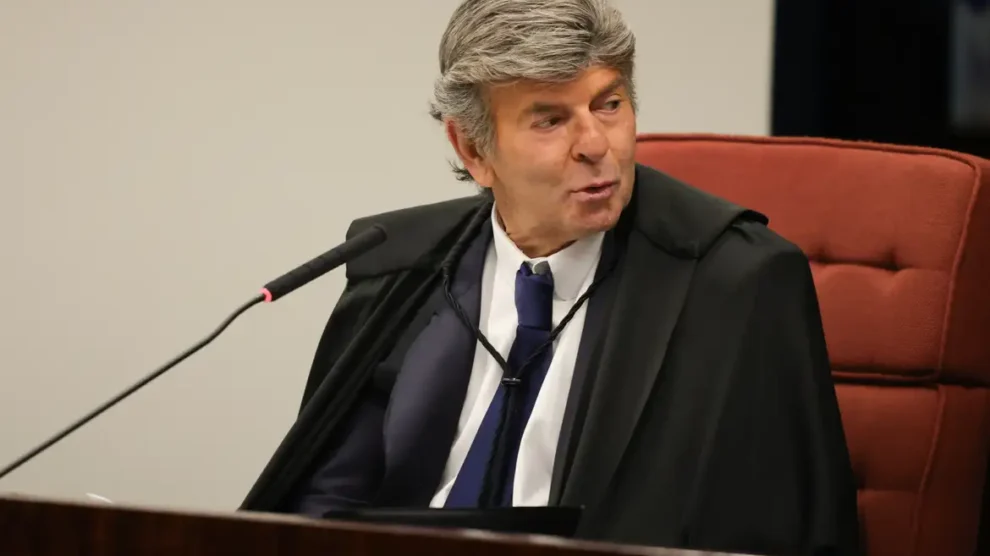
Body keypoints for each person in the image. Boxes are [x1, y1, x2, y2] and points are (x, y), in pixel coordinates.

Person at [240, 1, 861, 554]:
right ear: (473, 150)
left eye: (609, 105)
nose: (596, 144)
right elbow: (323, 507)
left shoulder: (737, 282)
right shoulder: (401, 269)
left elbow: (772, 533)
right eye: (550, 120)